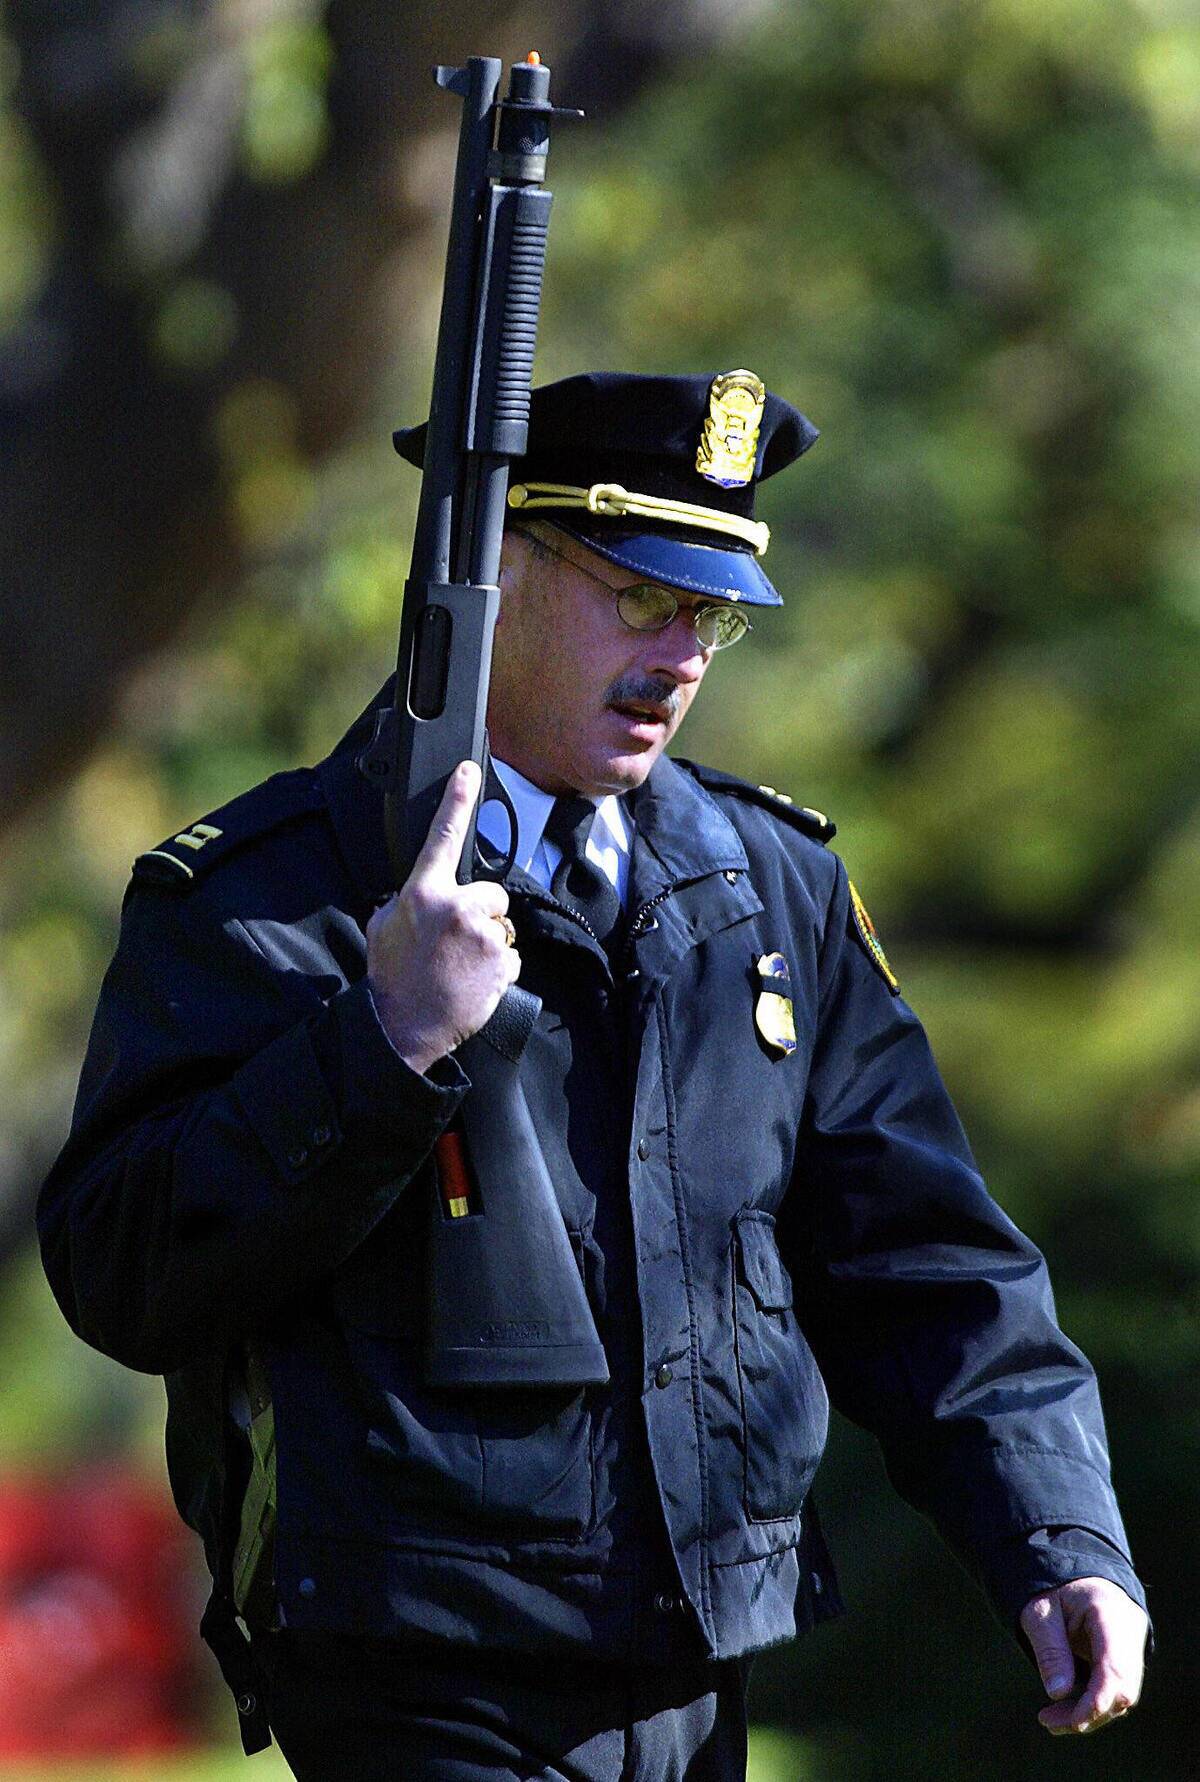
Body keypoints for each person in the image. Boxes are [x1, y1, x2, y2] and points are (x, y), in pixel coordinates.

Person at [39, 372, 1148, 1780]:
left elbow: (928, 1262)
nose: (682, 654)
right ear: (488, 572)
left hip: (695, 1673)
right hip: (413, 1680)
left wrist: (1059, 1536)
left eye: (712, 614)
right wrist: (380, 1039)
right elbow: (123, 1266)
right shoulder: (272, 894)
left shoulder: (770, 887)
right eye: (639, 596)